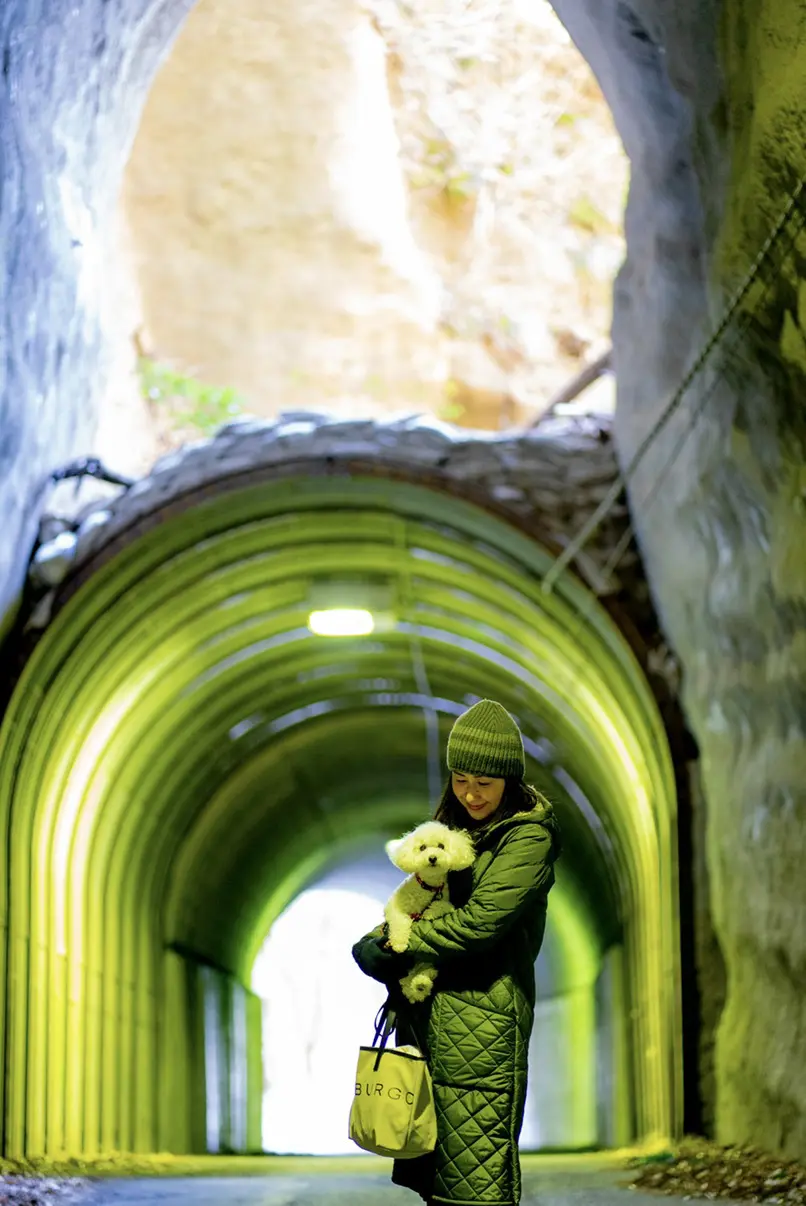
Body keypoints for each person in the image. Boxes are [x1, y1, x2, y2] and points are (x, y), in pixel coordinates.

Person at [352, 699, 562, 1206]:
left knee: (475, 1192)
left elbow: (479, 924)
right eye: (461, 779)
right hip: (431, 1028)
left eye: (484, 783)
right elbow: (425, 901)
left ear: (509, 781)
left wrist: (400, 947)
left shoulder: (527, 838)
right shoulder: (457, 833)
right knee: (437, 1184)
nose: (470, 793)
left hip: (483, 1031)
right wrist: (376, 942)